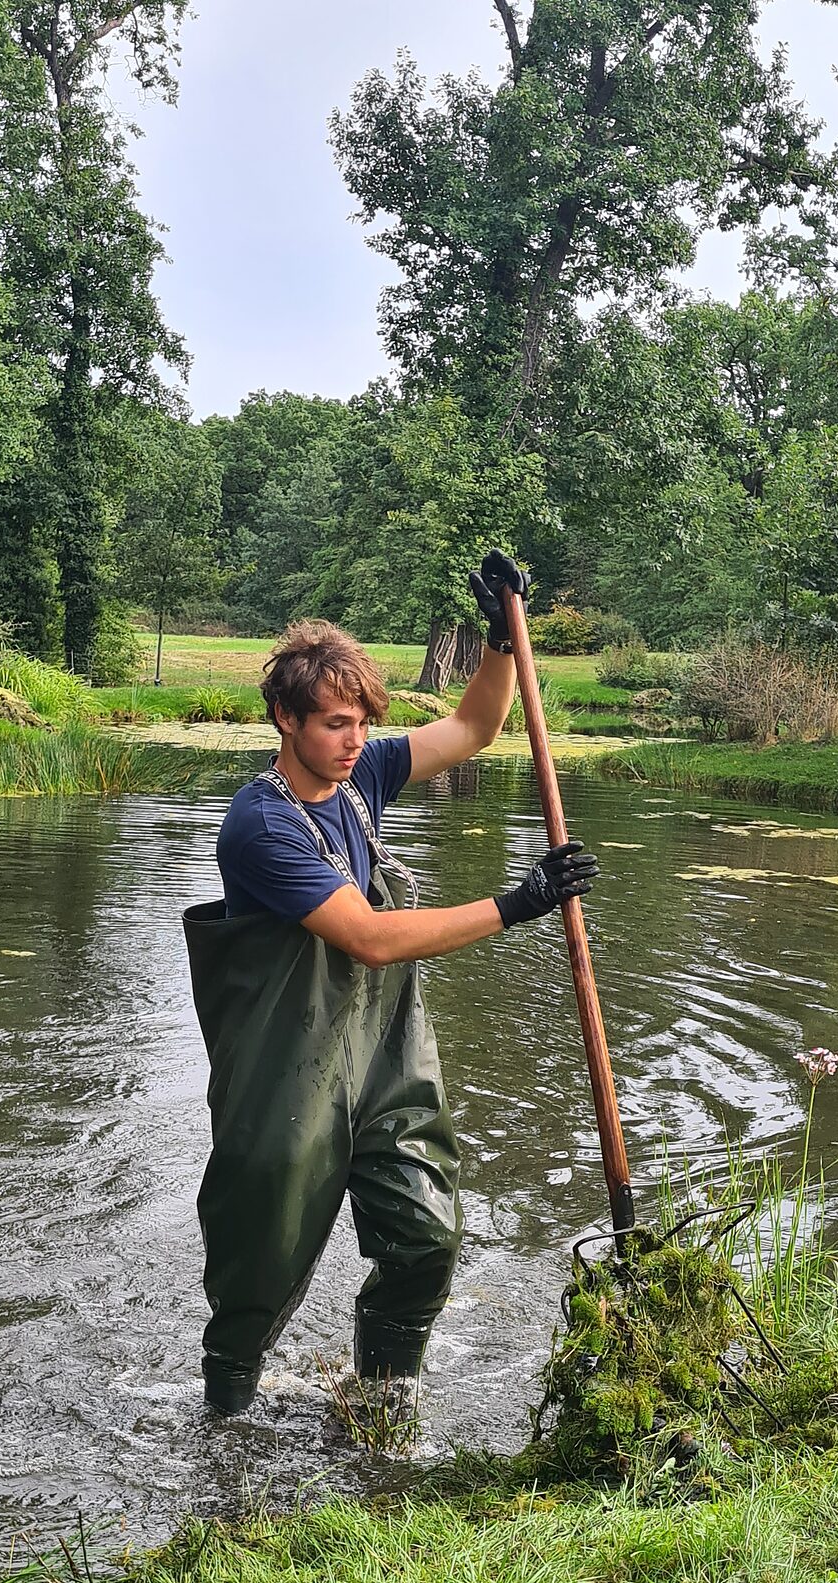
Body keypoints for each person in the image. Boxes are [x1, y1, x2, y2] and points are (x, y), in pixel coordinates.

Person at [182, 551, 598, 1437]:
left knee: (426, 1237)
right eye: (334, 724)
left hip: (381, 1055)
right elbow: (369, 939)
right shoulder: (258, 824)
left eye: (362, 724)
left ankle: (379, 1405)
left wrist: (497, 639)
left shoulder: (360, 775)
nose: (353, 740)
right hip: (281, 1071)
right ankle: (221, 1430)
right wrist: (518, 904)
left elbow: (474, 729)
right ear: (284, 719)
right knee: (260, 1270)